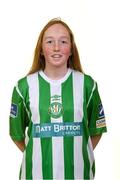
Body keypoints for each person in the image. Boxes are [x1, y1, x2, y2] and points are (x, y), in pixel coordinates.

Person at [9, 18, 107, 180]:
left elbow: (96, 131)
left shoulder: (87, 85)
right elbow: (16, 134)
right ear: (41, 49)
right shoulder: (23, 87)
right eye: (49, 42)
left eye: (63, 41)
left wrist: (75, 154)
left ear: (71, 49)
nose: (56, 48)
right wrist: (40, 154)